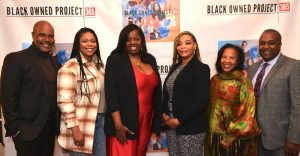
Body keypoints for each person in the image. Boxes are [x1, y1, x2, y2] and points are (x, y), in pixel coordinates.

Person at [0, 20, 60, 156]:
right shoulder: (16, 59)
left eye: (51, 36)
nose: (47, 39)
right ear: (33, 35)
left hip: (49, 132)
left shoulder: (54, 62)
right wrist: (16, 131)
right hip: (27, 134)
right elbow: (7, 98)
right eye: (42, 35)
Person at [104, 24, 162, 156]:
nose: (132, 42)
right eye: (128, 39)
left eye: (136, 39)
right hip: (124, 121)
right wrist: (118, 125)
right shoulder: (115, 60)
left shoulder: (150, 59)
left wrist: (156, 124)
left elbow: (157, 93)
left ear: (142, 40)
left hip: (147, 120)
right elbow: (111, 95)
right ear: (123, 41)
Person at [248, 29, 300, 156]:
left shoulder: (293, 66)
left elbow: (298, 106)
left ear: (280, 45)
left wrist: (294, 139)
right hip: (253, 138)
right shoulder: (252, 68)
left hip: (281, 141)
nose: (266, 47)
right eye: (262, 43)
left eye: (271, 43)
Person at [57, 28, 106, 156]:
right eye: (85, 41)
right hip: (80, 124)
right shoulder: (70, 67)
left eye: (93, 41)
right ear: (78, 44)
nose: (90, 44)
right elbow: (65, 101)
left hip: (100, 123)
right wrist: (75, 129)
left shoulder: (99, 65)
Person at [206, 43, 260, 156]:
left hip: (235, 139)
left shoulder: (243, 82)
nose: (227, 60)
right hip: (214, 136)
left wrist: (231, 135)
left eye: (232, 58)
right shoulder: (214, 80)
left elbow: (247, 113)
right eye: (224, 57)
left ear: (238, 61)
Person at [162, 31, 210, 156]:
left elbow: (201, 102)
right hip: (171, 126)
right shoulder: (175, 67)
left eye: (187, 43)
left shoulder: (201, 69)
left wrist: (179, 120)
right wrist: (165, 114)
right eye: (179, 44)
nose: (183, 47)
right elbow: (167, 95)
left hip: (191, 127)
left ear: (195, 45)